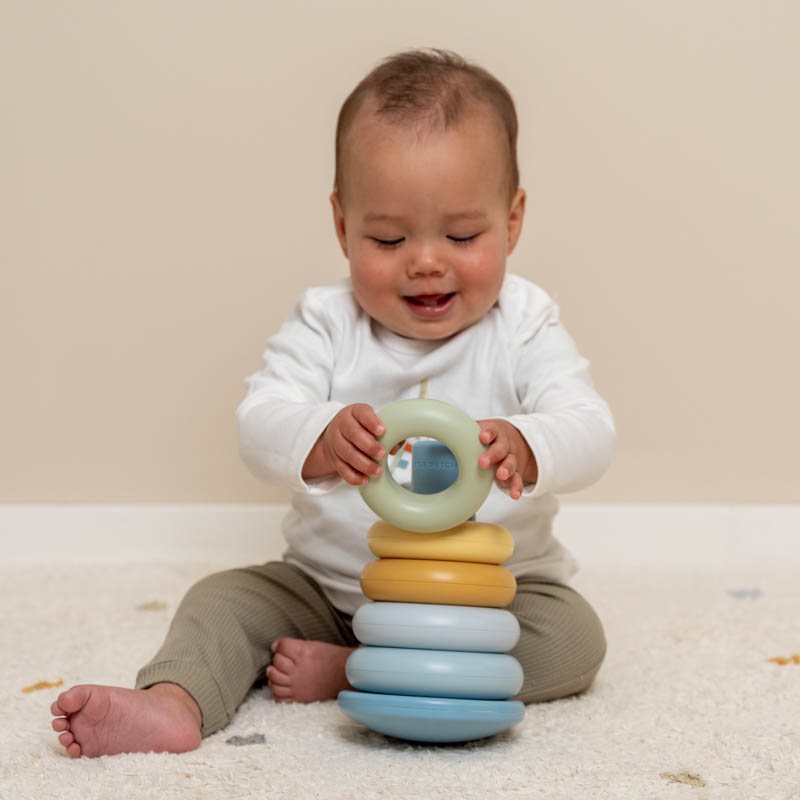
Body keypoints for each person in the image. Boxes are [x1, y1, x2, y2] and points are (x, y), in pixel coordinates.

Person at [50, 47, 614, 758]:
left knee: (575, 638)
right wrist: (319, 435)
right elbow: (259, 423)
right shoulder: (326, 321)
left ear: (514, 220)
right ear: (343, 226)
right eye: (388, 237)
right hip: (329, 597)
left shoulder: (525, 323)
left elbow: (591, 428)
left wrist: (530, 443)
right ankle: (175, 701)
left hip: (487, 605)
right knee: (222, 600)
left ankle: (357, 673)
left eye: (463, 235)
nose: (427, 260)